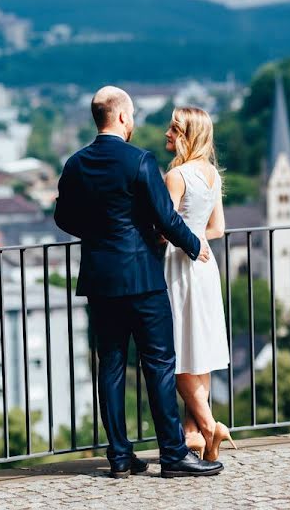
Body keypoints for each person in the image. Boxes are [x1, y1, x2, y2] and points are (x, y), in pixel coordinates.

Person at [54, 85, 223, 478]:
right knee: (160, 364)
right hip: (143, 278)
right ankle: (173, 453)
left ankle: (119, 455)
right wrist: (195, 245)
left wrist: (96, 233)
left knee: (110, 367)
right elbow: (165, 217)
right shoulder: (140, 161)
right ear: (124, 117)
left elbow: (63, 218)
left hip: (100, 279)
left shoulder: (76, 163)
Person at [162, 107, 236, 461]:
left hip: (180, 266)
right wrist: (197, 238)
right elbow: (218, 228)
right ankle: (193, 435)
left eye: (172, 129)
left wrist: (178, 239)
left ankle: (208, 426)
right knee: (199, 350)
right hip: (206, 267)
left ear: (185, 135)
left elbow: (166, 227)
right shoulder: (212, 175)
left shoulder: (177, 175)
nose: (167, 134)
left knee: (176, 351)